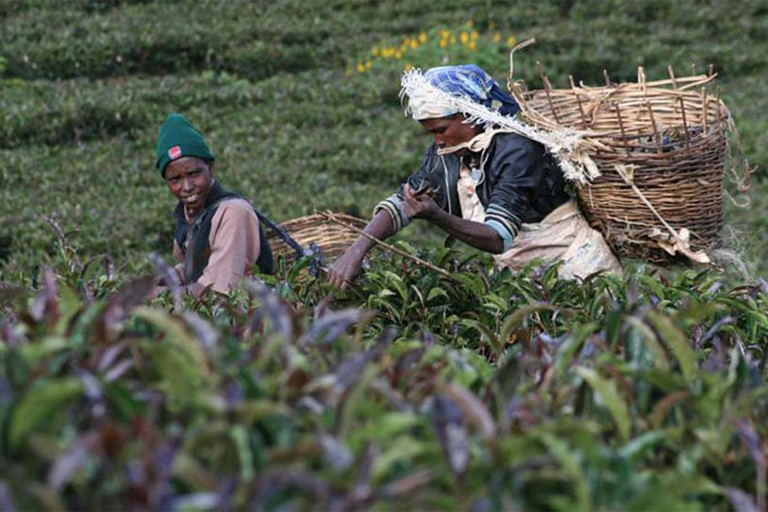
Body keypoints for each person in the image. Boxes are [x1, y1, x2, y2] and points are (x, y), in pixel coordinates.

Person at [329, 65, 620, 289]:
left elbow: (498, 237)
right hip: (524, 277)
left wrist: (435, 216)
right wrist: (356, 252)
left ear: (470, 116)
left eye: (440, 130)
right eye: (430, 132)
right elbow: (403, 203)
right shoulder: (448, 154)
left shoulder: (516, 151)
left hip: (578, 267)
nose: (437, 141)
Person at [155, 114, 273, 296]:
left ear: (210, 168)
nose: (187, 187)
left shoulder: (232, 212)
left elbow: (218, 292)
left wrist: (153, 295)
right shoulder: (186, 215)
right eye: (175, 179)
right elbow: (198, 266)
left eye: (194, 173)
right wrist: (167, 278)